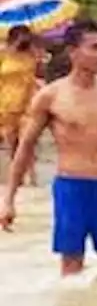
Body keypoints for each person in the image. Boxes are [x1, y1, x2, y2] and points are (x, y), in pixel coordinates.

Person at [1, 21, 97, 277]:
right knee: (71, 269)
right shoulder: (51, 96)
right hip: (71, 188)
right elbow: (24, 149)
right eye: (94, 48)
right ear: (73, 52)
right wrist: (8, 200)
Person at [0, 25, 41, 187]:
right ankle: (17, 176)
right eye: (21, 37)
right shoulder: (3, 54)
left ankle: (33, 176)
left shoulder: (31, 54)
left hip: (27, 102)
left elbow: (35, 75)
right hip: (6, 102)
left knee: (27, 139)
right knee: (11, 142)